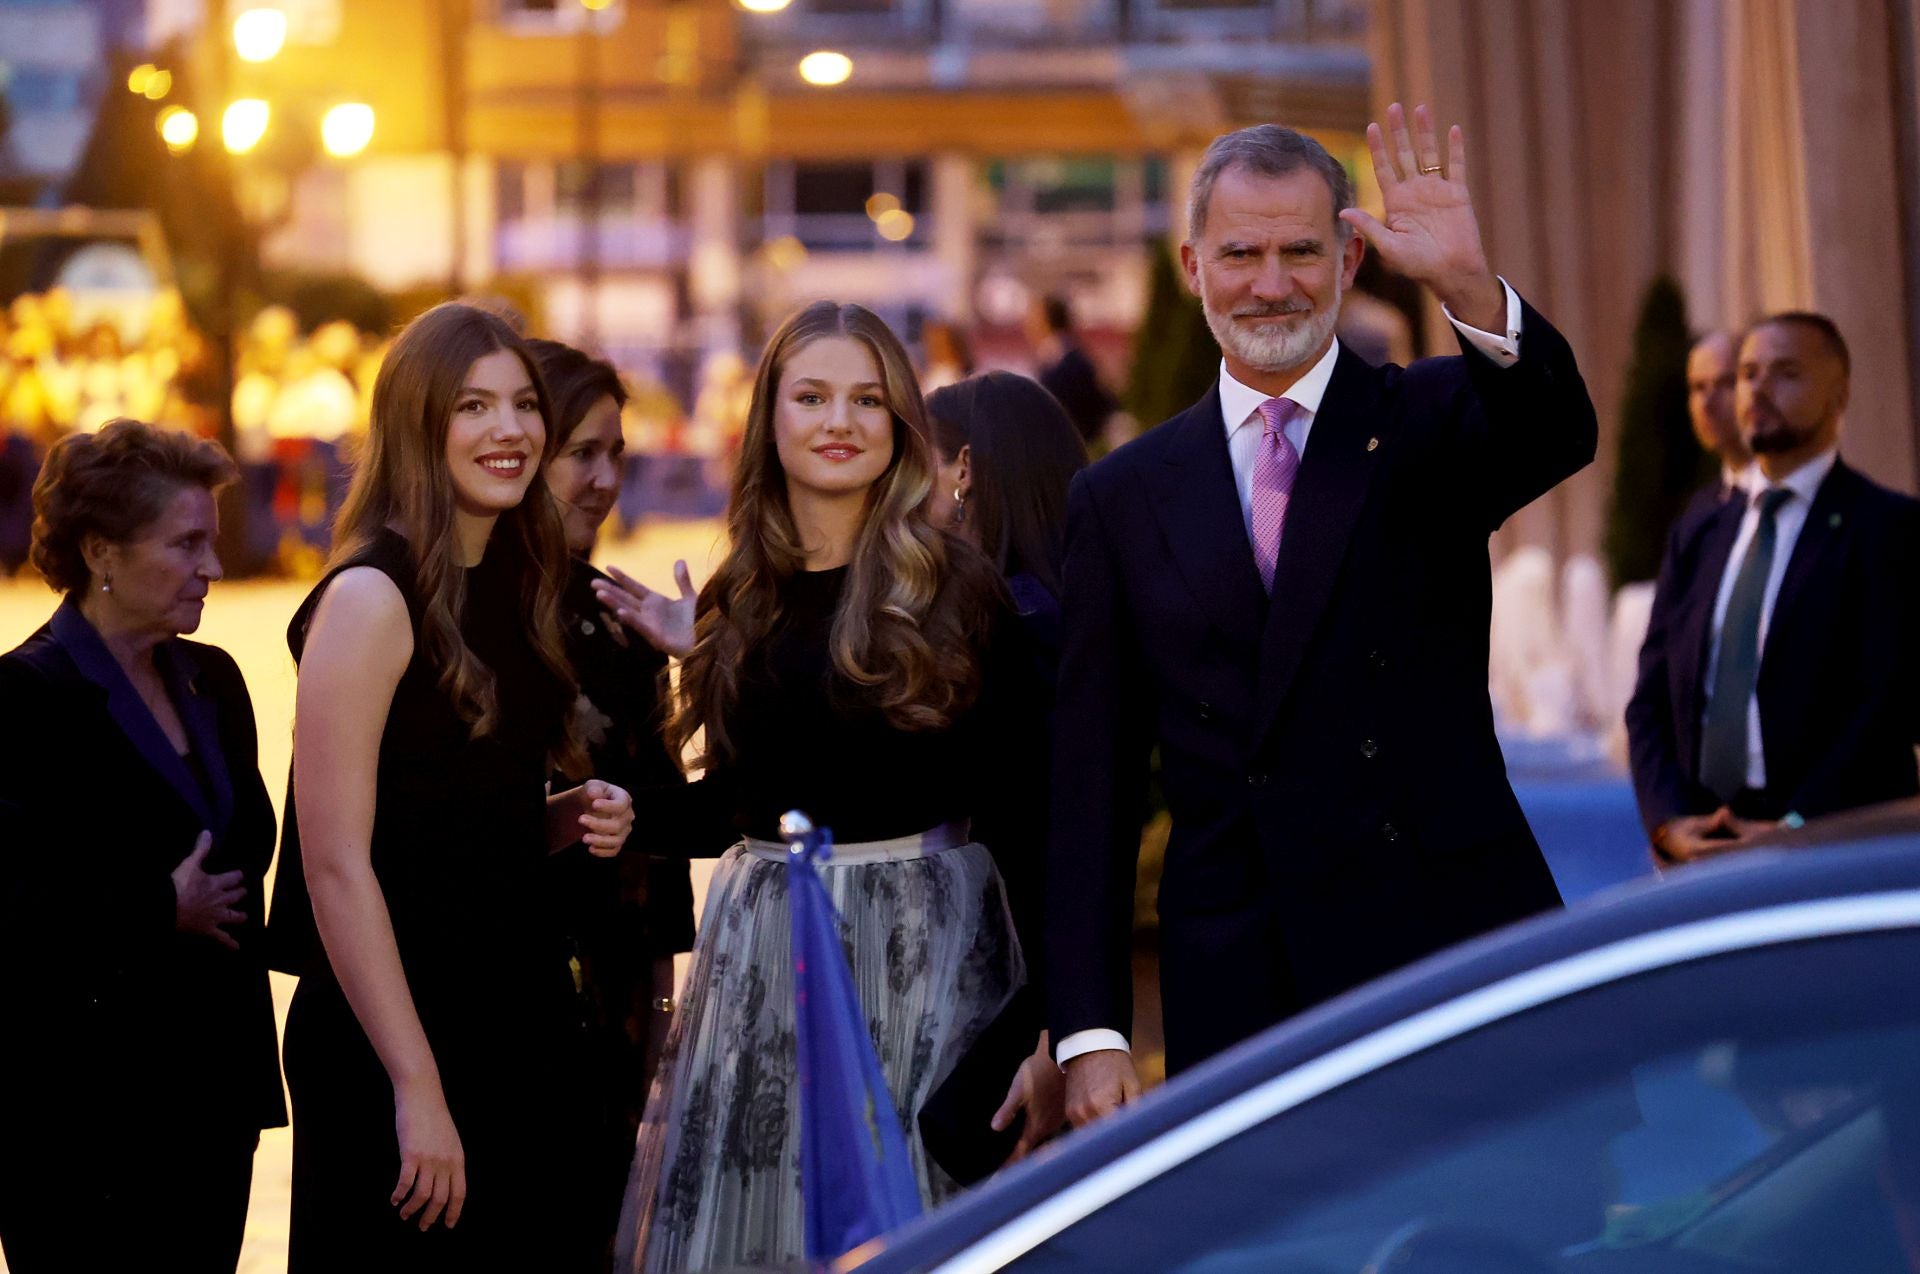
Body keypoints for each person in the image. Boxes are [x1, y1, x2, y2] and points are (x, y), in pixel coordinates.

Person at [1049, 106, 1597, 1123]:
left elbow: (1558, 433)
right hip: (1239, 971)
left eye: (1301, 250)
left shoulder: (1429, 420)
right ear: (1192, 265)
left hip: (1438, 948)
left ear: (1349, 258)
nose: (1271, 282)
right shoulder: (1121, 494)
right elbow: (1094, 782)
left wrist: (1467, 284)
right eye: (1242, 252)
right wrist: (1090, 1030)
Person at [591, 301, 1050, 1271]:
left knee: (913, 1227)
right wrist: (639, 815)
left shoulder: (956, 587)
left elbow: (1028, 811)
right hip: (766, 958)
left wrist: (1050, 1019)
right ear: (771, 419)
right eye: (811, 396)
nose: (839, 419)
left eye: (867, 398)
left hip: (927, 958)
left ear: (898, 428)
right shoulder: (740, 592)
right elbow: (747, 804)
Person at [267, 303, 635, 1271]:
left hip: (509, 1015)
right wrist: (415, 1082)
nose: (509, 430)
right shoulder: (368, 598)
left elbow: (446, 819)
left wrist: (567, 818)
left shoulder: (512, 586)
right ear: (418, 423)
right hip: (395, 1034)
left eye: (522, 404)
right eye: (473, 405)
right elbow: (337, 865)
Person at [0, 420, 283, 1272]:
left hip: (211, 1093)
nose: (215, 567)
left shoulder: (216, 679)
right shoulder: (22, 697)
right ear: (102, 554)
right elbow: (12, 905)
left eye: (215, 540)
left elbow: (252, 841)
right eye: (187, 543)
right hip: (78, 1110)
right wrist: (161, 906)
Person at [525, 336, 705, 1251]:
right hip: (499, 994)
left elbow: (663, 816)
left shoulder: (622, 616)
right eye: (581, 454)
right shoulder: (446, 611)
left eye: (616, 456)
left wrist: (662, 1012)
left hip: (615, 990)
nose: (603, 480)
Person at [1625, 312, 1920, 864]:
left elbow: (1886, 707)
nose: (1757, 388)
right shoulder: (1700, 529)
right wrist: (1669, 824)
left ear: (1838, 396)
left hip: (1836, 848)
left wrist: (1795, 826)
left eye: (1786, 373)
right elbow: (1650, 701)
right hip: (1706, 846)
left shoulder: (1886, 527)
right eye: (1748, 373)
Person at [925, 370, 1088, 666]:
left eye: (918, 459)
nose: (901, 482)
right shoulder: (1082, 594)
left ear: (964, 469)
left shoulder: (1003, 618)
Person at [1027, 294, 1116, 446]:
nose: (1028, 326)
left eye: (1033, 319)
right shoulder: (1059, 355)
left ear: (1045, 321)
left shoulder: (1062, 359)